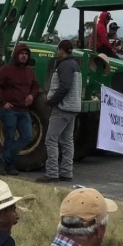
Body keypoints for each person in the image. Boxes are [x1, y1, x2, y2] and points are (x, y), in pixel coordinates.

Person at [0, 43, 41, 175]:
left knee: (27, 137)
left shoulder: (29, 71)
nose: (24, 56)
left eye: (26, 54)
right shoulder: (6, 69)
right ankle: (10, 166)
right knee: (9, 138)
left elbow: (36, 85)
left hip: (24, 111)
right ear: (16, 55)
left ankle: (3, 159)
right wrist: (3, 102)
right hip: (10, 110)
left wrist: (31, 95)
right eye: (21, 54)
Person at [38, 39, 81, 183]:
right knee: (67, 141)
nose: (57, 53)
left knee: (51, 139)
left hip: (62, 108)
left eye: (58, 50)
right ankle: (66, 172)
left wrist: (52, 101)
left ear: (61, 50)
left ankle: (52, 173)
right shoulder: (75, 64)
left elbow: (64, 86)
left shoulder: (65, 65)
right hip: (73, 108)